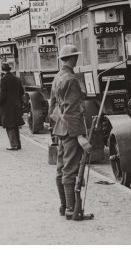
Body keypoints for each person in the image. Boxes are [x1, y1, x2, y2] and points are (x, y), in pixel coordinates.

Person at [49, 45, 92, 220]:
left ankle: (63, 206)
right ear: (73, 58)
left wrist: (58, 124)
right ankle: (71, 209)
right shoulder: (72, 80)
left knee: (61, 168)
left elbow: (52, 107)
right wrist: (79, 135)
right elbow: (73, 110)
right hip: (71, 130)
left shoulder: (57, 77)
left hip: (60, 128)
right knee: (71, 169)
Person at [0, 63, 25, 150]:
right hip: (16, 104)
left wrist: (0, 103)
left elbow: (3, 94)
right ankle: (19, 144)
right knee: (16, 125)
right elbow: (21, 92)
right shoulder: (17, 79)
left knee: (9, 125)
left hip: (7, 106)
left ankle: (13, 145)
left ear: (3, 70)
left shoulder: (3, 80)